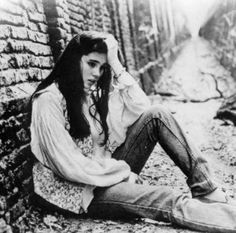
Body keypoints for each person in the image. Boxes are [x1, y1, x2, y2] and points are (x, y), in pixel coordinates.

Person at [30, 31, 236, 232]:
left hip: (101, 171)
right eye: (91, 64)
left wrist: (116, 64)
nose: (96, 74)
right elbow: (69, 165)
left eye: (102, 68)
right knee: (165, 198)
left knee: (157, 114)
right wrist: (122, 173)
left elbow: (140, 107)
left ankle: (207, 189)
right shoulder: (49, 100)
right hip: (77, 192)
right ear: (74, 60)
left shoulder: (86, 95)